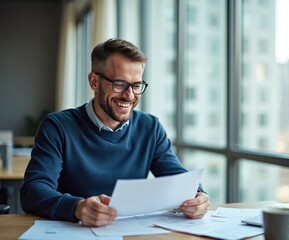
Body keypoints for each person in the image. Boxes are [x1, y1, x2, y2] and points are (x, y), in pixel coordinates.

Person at [20, 38, 210, 227]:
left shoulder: (150, 127)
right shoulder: (57, 127)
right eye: (119, 84)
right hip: (76, 231)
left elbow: (178, 178)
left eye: (136, 85)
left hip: (131, 232)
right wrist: (77, 207)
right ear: (94, 81)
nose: (129, 95)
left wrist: (198, 196)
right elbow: (33, 191)